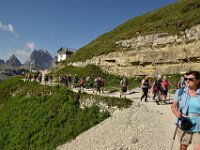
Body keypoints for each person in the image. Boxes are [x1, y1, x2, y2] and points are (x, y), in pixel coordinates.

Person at [171, 71, 200, 150]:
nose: (187, 80)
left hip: (198, 125)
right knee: (183, 147)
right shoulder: (180, 92)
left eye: (190, 79)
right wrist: (177, 113)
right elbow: (173, 106)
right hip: (184, 123)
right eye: (186, 78)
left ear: (197, 81)